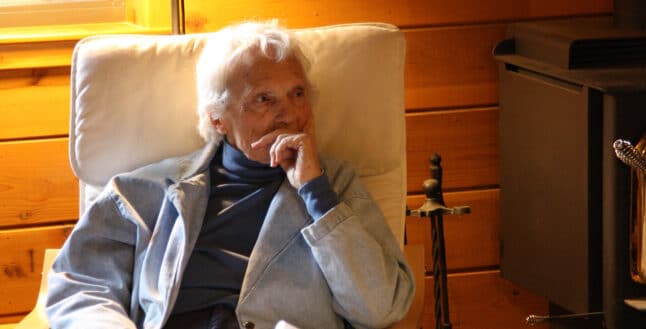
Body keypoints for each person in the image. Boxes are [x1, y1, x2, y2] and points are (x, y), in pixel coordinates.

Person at [45, 21, 415, 329]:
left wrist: (316, 192)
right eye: (264, 98)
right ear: (217, 118)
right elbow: (81, 285)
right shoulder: (141, 192)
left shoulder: (336, 187)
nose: (290, 113)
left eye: (297, 93)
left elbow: (380, 307)